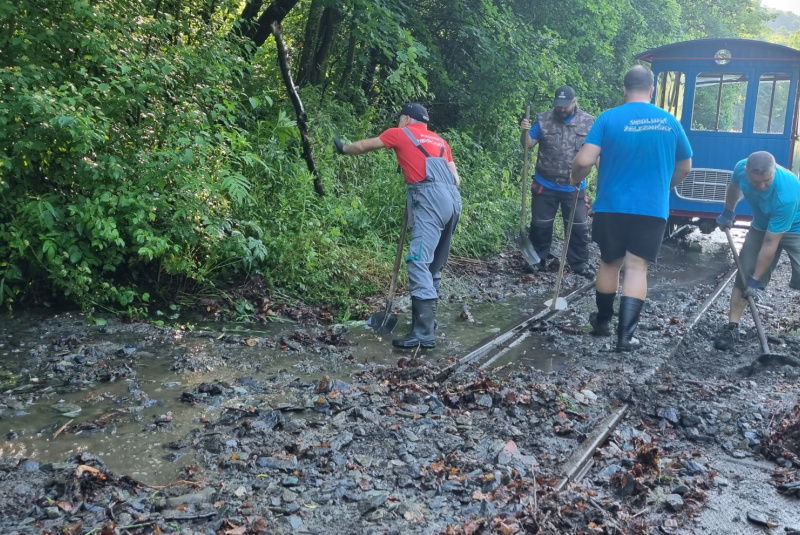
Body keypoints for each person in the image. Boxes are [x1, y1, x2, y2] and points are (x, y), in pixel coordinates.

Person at [571, 66, 693, 352]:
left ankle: (602, 322)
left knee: (609, 263)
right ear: (652, 89)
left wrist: (575, 179)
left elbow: (584, 161)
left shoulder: (608, 118)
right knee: (637, 268)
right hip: (651, 208)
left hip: (611, 206)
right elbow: (685, 167)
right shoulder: (669, 122)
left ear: (624, 89)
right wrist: (664, 187)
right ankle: (625, 337)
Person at [333, 103, 462, 349]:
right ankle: (429, 322)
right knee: (434, 264)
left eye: (400, 118)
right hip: (453, 201)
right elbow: (456, 180)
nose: (398, 121)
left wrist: (343, 148)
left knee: (418, 261)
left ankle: (423, 334)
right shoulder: (441, 142)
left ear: (406, 119)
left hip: (430, 199)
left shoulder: (400, 133)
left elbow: (364, 145)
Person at [713, 151, 800, 350]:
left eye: (767, 181)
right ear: (746, 171)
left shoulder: (787, 193)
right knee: (745, 273)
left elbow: (770, 242)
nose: (761, 187)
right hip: (762, 225)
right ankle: (732, 327)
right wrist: (728, 211)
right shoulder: (740, 169)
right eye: (756, 182)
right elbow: (734, 187)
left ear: (775, 170)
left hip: (796, 227)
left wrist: (756, 280)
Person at [520, 86, 595, 278]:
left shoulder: (588, 122)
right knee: (540, 226)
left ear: (574, 102)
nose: (561, 109)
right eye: (558, 105)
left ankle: (580, 264)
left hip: (575, 185)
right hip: (545, 183)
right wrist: (524, 132)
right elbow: (528, 144)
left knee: (578, 227)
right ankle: (536, 261)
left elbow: (596, 151)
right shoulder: (543, 119)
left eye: (565, 105)